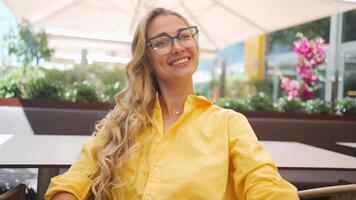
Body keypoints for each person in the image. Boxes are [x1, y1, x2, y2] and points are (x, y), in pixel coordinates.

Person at [45, 7, 299, 200]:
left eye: (184, 36)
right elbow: (72, 181)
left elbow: (264, 183)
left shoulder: (229, 123)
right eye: (162, 42)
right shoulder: (119, 125)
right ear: (146, 59)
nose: (177, 47)